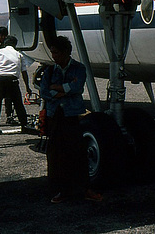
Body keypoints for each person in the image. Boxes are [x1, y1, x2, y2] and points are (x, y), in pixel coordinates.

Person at [40, 36, 101, 203]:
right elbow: (44, 92)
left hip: (72, 115)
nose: (53, 56)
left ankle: (84, 188)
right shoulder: (50, 70)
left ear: (66, 53)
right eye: (52, 52)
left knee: (78, 153)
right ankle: (61, 190)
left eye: (56, 53)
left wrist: (57, 88)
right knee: (55, 154)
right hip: (55, 116)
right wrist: (65, 89)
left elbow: (77, 87)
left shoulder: (78, 68)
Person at [0, 35, 36, 135]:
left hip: (0, 79)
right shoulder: (19, 54)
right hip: (13, 81)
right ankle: (24, 125)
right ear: (15, 44)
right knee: (18, 104)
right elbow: (24, 72)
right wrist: (27, 87)